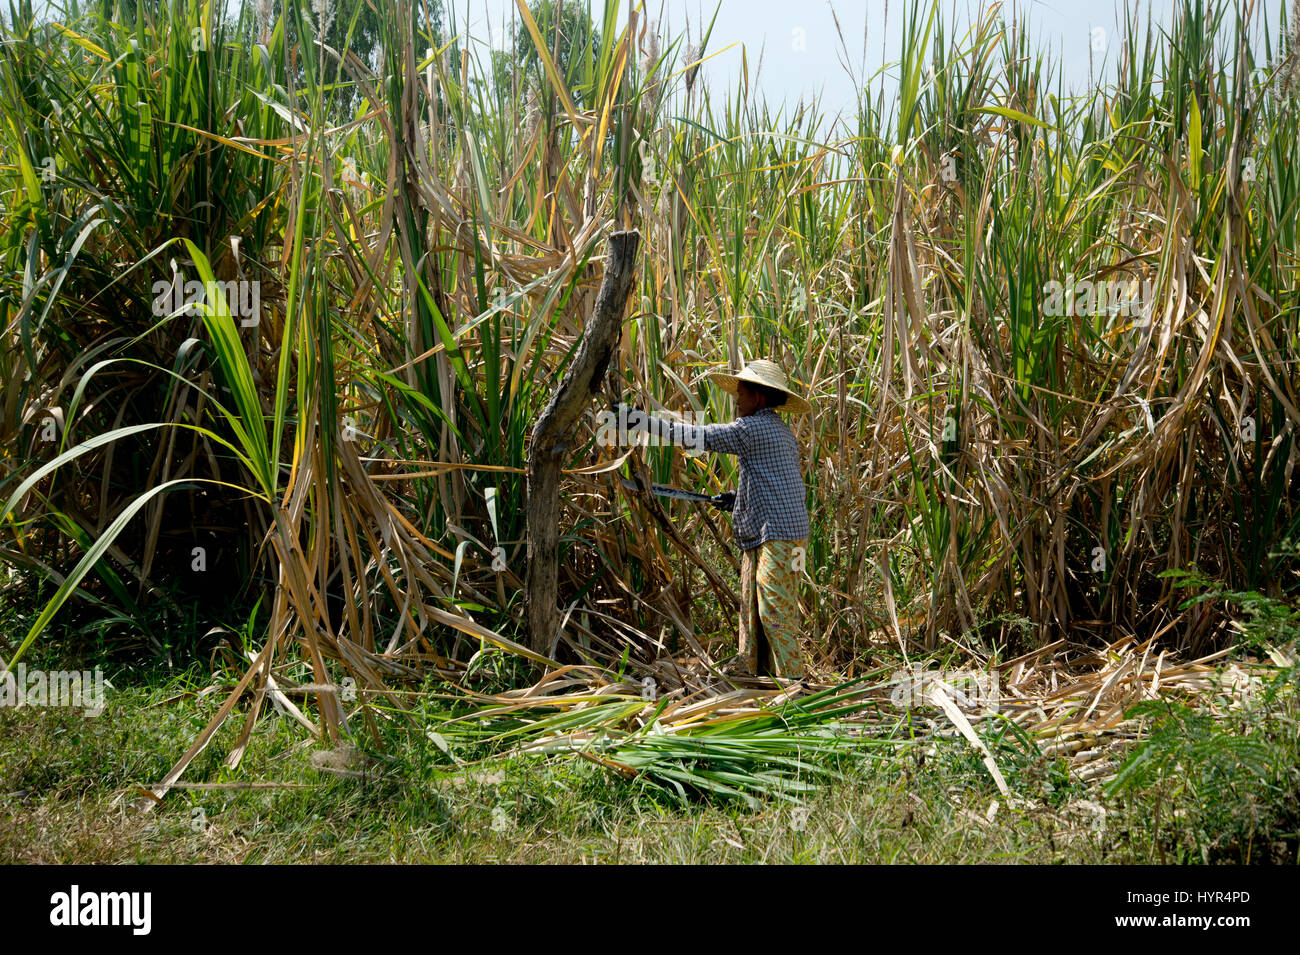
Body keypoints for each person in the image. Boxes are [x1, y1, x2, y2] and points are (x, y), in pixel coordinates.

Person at [613, 359, 813, 680]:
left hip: (779, 536)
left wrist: (638, 421)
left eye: (742, 393)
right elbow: (773, 481)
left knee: (772, 611)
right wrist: (738, 499)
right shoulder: (781, 431)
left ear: (758, 397)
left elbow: (697, 436)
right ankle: (752, 673)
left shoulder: (753, 429)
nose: (737, 399)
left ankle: (793, 683)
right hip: (781, 534)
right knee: (752, 605)